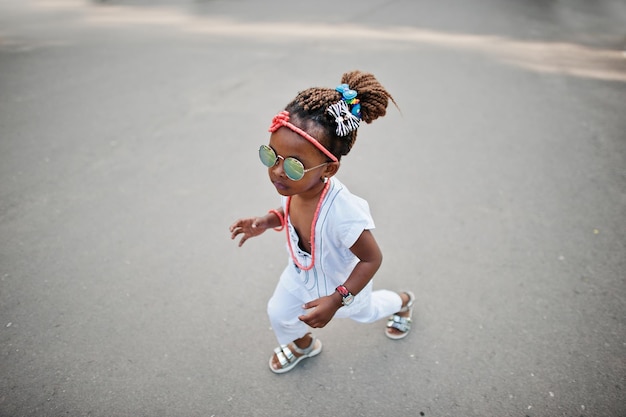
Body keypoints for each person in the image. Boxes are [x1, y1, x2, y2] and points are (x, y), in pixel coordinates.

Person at [229, 70, 414, 374]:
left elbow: (372, 259)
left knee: (367, 314)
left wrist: (338, 299)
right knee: (278, 312)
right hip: (300, 276)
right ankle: (304, 346)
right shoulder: (291, 187)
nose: (277, 171)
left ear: (328, 169)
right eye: (271, 156)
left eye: (293, 164)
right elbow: (288, 214)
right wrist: (266, 221)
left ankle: (404, 301)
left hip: (341, 285)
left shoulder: (344, 213)